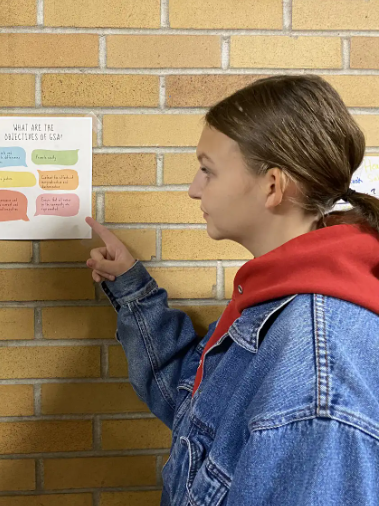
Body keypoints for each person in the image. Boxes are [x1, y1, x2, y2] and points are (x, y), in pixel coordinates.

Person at [86, 75, 379, 505]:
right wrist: (132, 289)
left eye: (208, 170)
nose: (193, 188)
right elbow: (198, 412)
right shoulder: (281, 294)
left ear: (273, 186)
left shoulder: (318, 375)